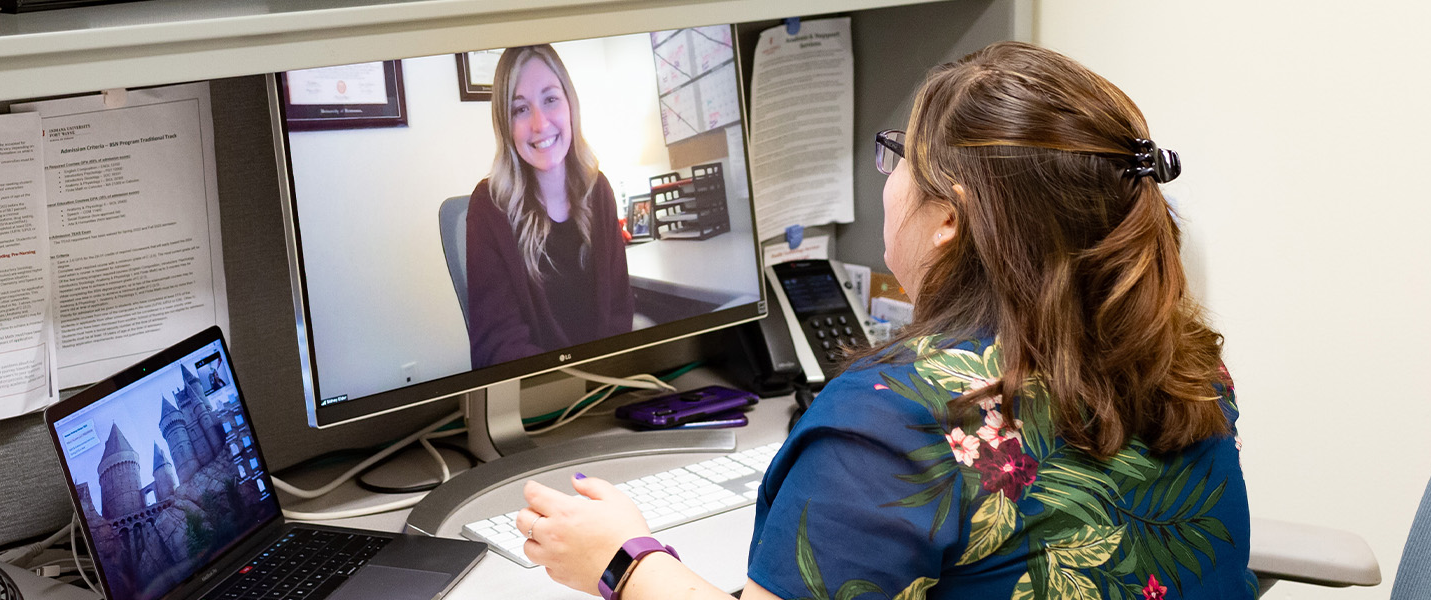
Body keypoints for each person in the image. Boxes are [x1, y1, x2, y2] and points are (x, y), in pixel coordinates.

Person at [511, 42, 1255, 600]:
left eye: (899, 156)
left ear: (947, 221)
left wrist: (623, 559)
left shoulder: (896, 426)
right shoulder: (1184, 359)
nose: (889, 178)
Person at [466, 44, 634, 369]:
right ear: (506, 124)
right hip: (539, 399)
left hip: (607, 386)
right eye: (520, 109)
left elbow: (619, 311)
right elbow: (499, 346)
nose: (540, 124)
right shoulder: (488, 207)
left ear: (570, 105)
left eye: (550, 99)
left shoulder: (598, 190)